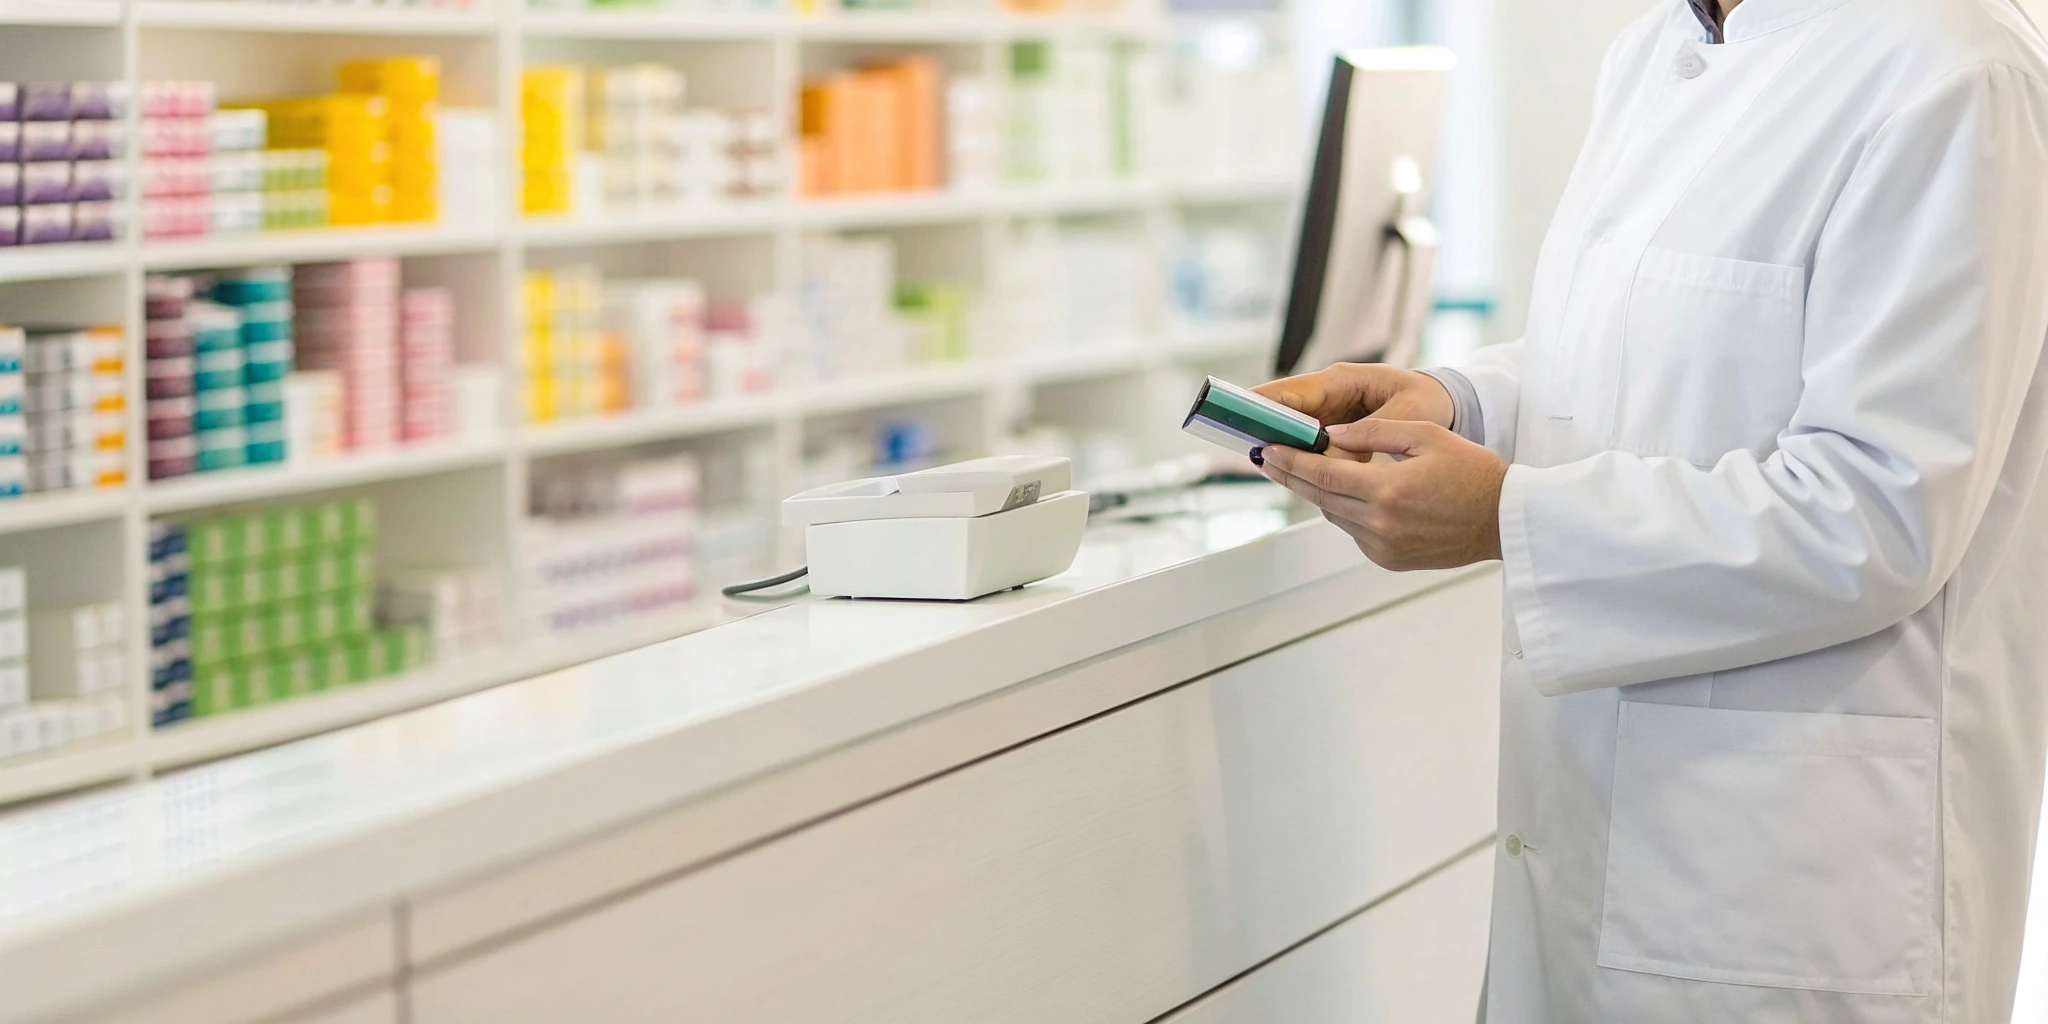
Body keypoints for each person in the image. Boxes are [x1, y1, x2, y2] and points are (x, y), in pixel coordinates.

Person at [1252, 0, 2048, 1020]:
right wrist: (1461, 403)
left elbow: (1876, 511)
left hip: (1793, 886)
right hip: (1598, 852)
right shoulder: (1653, 52)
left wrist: (1504, 515)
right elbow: (1640, 358)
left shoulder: (1952, 67)